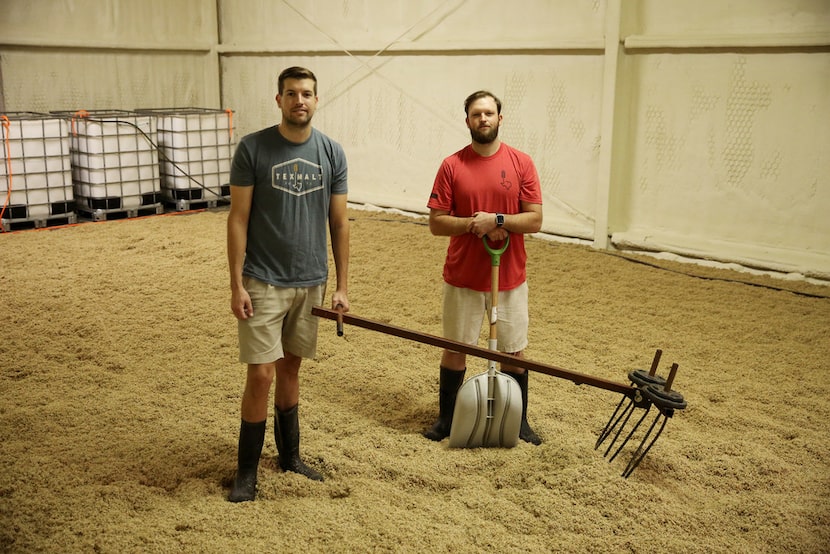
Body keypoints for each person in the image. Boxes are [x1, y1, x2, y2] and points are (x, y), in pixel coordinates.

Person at [226, 66, 350, 502]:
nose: (300, 100)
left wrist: (341, 286)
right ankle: (246, 473)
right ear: (278, 99)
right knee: (260, 374)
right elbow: (238, 219)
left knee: (290, 370)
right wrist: (237, 283)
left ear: (317, 100)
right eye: (292, 93)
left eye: (308, 94)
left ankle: (290, 456)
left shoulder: (332, 153)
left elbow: (339, 222)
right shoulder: (253, 149)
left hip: (311, 281)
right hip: (262, 280)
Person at [424, 90, 543, 446]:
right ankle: (446, 418)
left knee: (513, 350)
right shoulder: (452, 165)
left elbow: (535, 219)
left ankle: (519, 421)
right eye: (476, 114)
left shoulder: (522, 163)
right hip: (462, 276)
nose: (483, 119)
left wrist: (499, 220)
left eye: (489, 113)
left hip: (509, 278)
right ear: (468, 121)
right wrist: (472, 225)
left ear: (500, 119)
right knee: (456, 347)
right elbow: (436, 222)